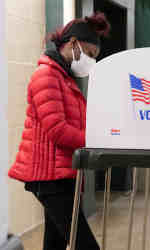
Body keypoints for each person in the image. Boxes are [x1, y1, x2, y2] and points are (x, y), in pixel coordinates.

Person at [8, 12, 110, 250]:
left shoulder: (64, 78)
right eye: (90, 54)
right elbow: (58, 130)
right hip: (49, 178)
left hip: (60, 175)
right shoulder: (46, 76)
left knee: (54, 243)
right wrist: (95, 140)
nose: (91, 62)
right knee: (84, 244)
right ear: (73, 43)